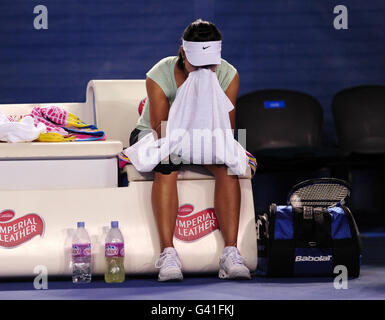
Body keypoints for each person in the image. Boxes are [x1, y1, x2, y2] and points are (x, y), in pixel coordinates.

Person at [128, 19, 251, 281]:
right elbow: (160, 130)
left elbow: (226, 132)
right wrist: (192, 93)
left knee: (228, 164)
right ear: (183, 53)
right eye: (199, 64)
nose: (206, 69)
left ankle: (231, 253)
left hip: (207, 136)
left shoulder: (229, 75)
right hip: (157, 135)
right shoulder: (158, 73)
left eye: (210, 65)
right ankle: (167, 254)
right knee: (167, 163)